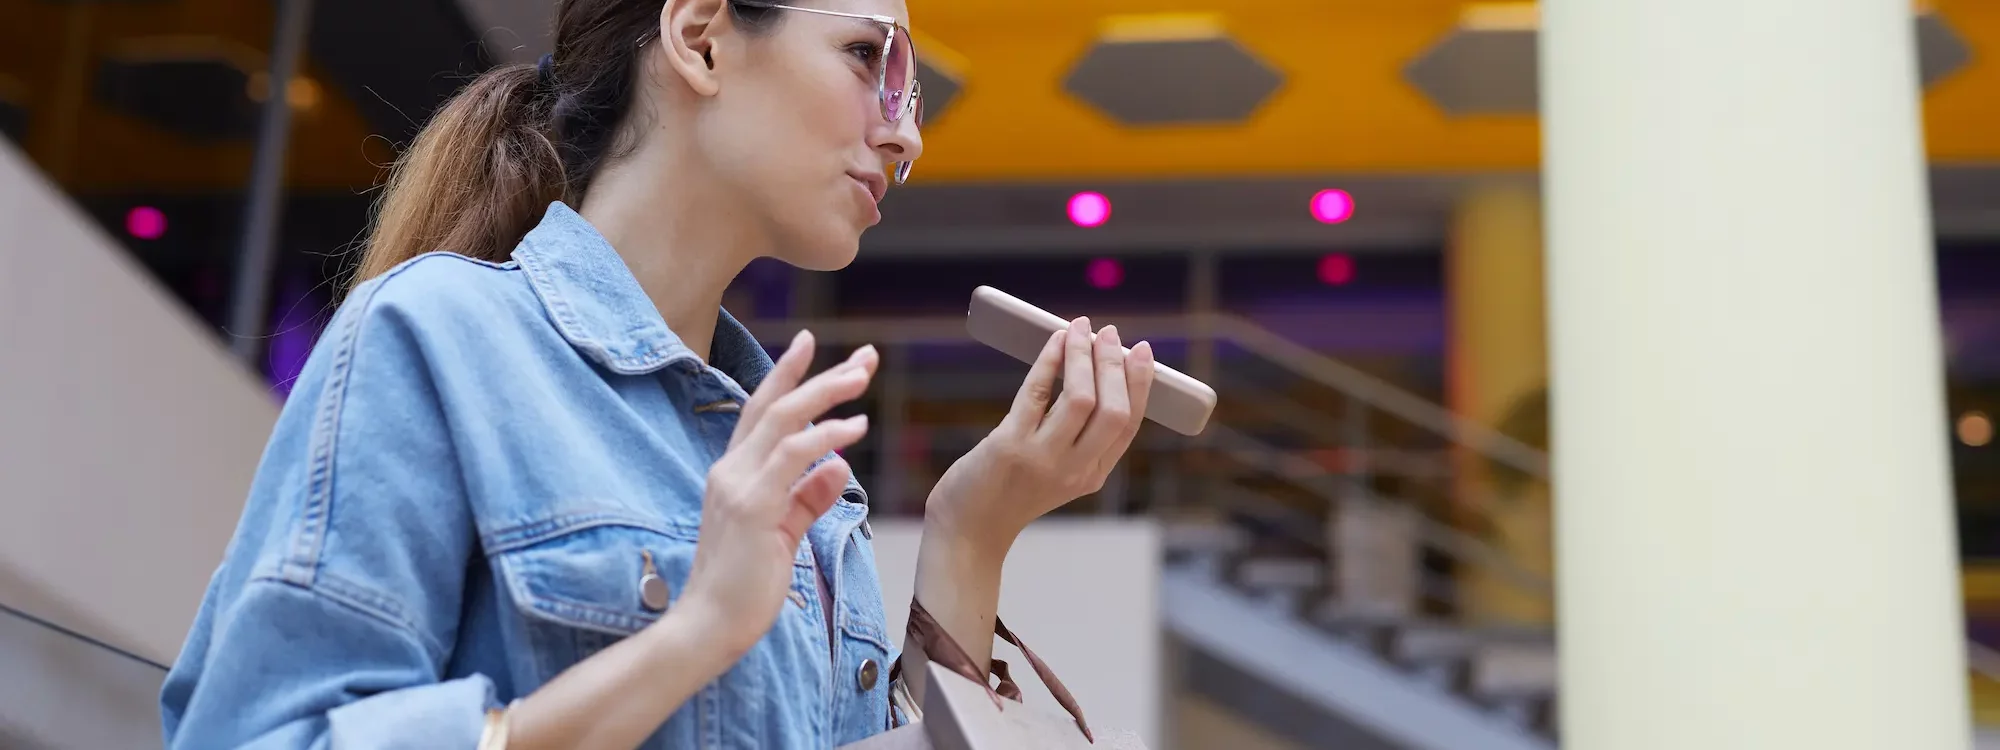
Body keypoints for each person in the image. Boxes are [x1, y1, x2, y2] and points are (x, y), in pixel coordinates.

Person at [158, 0, 1156, 748]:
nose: (905, 132)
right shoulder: (438, 337)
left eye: (909, 86)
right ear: (701, 37)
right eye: (868, 56)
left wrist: (970, 533)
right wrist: (694, 635)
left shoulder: (806, 478)